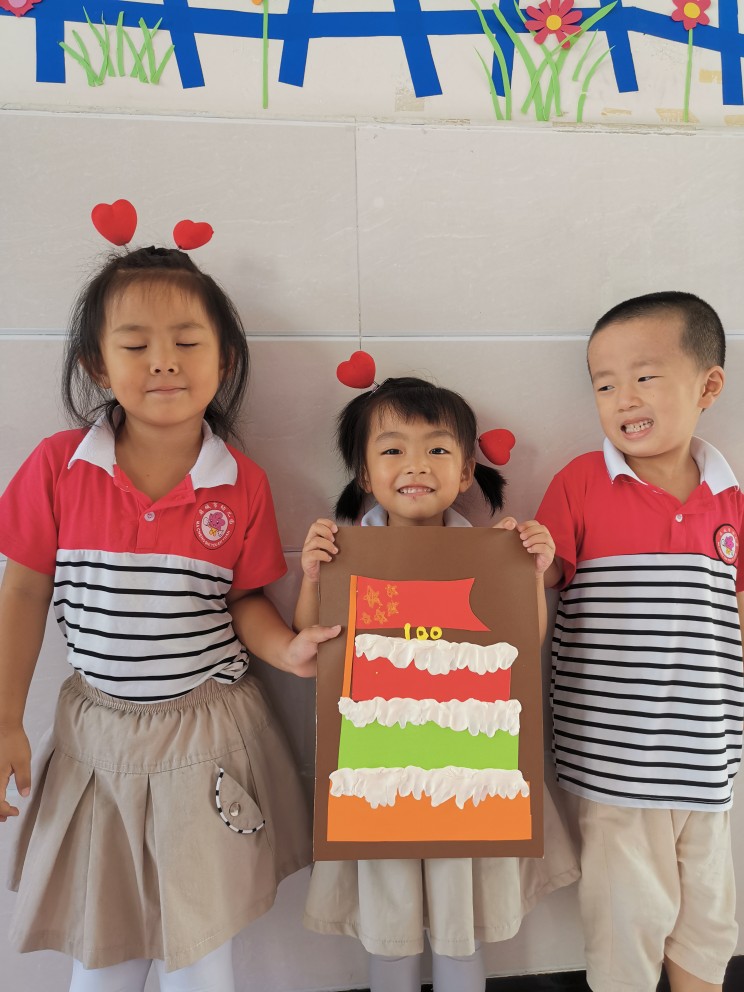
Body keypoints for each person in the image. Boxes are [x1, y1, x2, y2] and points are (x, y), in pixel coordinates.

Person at [0, 245, 339, 992]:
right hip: (98, 739)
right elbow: (22, 592)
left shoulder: (241, 483)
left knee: (199, 949)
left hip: (205, 736)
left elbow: (243, 600)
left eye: (187, 342)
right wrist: (5, 718)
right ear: (97, 365)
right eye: (135, 345)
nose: (164, 361)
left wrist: (287, 649)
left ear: (224, 362)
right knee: (102, 946)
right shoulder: (58, 467)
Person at [295, 375, 579, 992]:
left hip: (466, 769)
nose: (416, 465)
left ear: (467, 470)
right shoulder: (346, 550)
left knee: (460, 923)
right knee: (389, 925)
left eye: (438, 449)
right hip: (377, 771)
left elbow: (522, 646)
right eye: (393, 449)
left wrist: (529, 572)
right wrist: (315, 576)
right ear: (364, 473)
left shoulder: (491, 550)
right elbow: (314, 645)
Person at [536, 291, 743, 992]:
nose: (623, 398)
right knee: (626, 919)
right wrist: (525, 552)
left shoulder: (730, 501)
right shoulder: (581, 483)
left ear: (708, 386)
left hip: (709, 758)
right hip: (617, 762)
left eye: (645, 377)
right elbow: (542, 575)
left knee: (709, 921)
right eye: (604, 385)